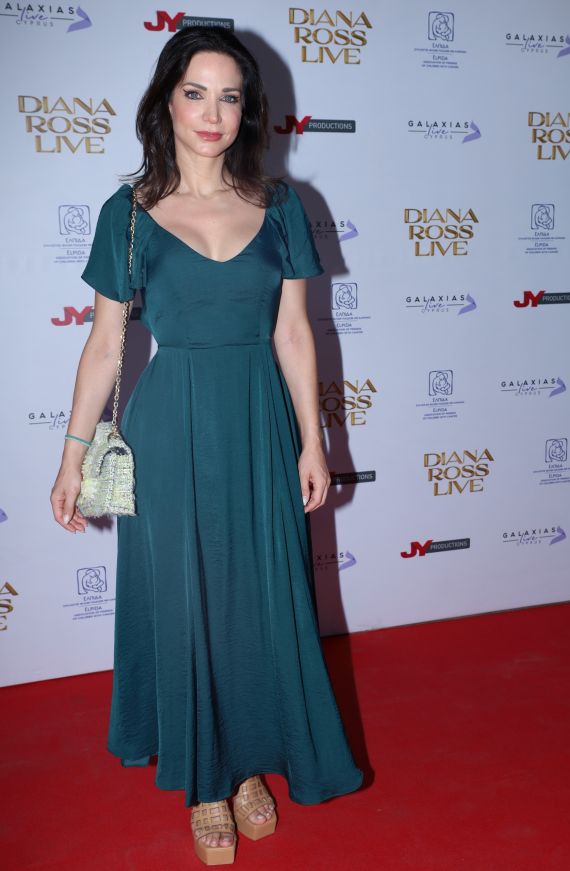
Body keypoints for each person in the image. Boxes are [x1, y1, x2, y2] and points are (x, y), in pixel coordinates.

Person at [50, 25, 363, 866]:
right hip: (170, 430)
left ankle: (248, 762)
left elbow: (293, 332)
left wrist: (313, 441)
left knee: (259, 603)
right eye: (196, 92)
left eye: (230, 95)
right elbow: (105, 345)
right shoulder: (128, 214)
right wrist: (72, 455)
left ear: (248, 108)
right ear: (166, 101)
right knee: (186, 607)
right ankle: (205, 785)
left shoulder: (281, 204)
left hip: (259, 422)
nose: (213, 112)